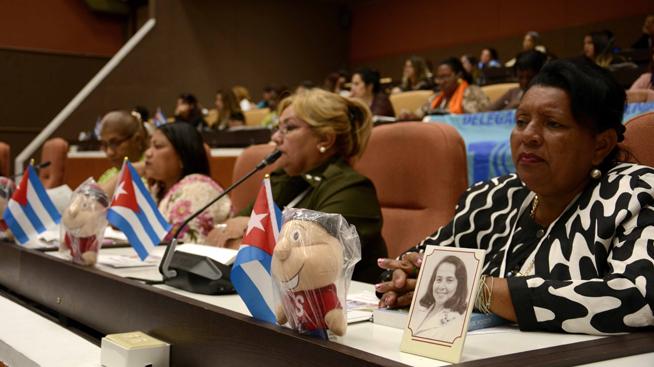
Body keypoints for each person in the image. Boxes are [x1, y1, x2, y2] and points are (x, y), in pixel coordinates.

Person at [376, 59, 654, 335]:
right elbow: (416, 263)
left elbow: (640, 298)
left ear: (601, 144)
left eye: (553, 124)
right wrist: (402, 278)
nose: (529, 135)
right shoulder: (493, 197)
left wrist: (479, 291)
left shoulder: (635, 193)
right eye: (521, 121)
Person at [207, 89, 388, 283]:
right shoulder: (282, 180)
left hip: (337, 308)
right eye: (277, 128)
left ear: (325, 139)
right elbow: (219, 235)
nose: (276, 137)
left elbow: (303, 266)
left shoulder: (352, 190)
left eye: (289, 128)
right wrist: (252, 241)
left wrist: (252, 240)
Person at [145, 122, 231, 242]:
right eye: (149, 147)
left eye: (158, 146)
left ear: (182, 156)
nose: (148, 153)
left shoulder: (198, 190)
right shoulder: (158, 188)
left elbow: (185, 246)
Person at [409, 256, 467, 341]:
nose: (441, 286)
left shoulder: (456, 323)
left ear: (459, 285)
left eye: (449, 280)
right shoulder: (419, 309)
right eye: (439, 279)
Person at [414, 57, 489, 117]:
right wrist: (409, 116)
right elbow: (419, 115)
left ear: (459, 75)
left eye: (445, 76)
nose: (441, 81)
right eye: (439, 78)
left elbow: (485, 115)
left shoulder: (472, 92)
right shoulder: (436, 97)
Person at [97, 110, 149, 185]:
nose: (109, 152)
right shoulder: (109, 174)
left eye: (115, 143)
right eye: (104, 144)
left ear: (137, 140)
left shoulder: (153, 172)